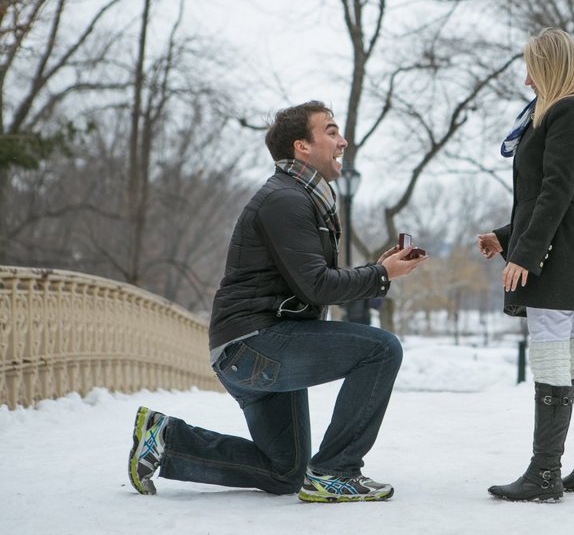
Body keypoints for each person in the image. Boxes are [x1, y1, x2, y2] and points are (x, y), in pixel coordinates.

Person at [128, 101, 427, 503]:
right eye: (332, 132)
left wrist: (378, 269)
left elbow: (310, 282)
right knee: (381, 350)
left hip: (256, 345)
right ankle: (336, 472)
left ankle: (166, 439)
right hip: (255, 344)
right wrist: (381, 275)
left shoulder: (300, 198)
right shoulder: (285, 200)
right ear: (302, 146)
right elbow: (318, 287)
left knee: (283, 470)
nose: (344, 141)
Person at [478, 28, 574, 502]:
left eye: (532, 67)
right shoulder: (569, 112)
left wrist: (525, 255)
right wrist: (504, 238)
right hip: (568, 248)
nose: (526, 79)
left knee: (551, 349)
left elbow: (557, 193)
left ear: (551, 67)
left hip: (558, 256)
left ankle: (544, 472)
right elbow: (553, 197)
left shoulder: (568, 112)